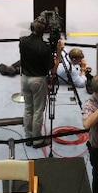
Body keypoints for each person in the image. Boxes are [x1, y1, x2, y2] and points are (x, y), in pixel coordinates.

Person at [19, 18, 63, 148]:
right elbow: (52, 68)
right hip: (38, 80)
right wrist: (58, 52)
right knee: (38, 110)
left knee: (28, 108)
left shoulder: (22, 41)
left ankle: (28, 138)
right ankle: (37, 140)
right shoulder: (45, 48)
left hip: (25, 78)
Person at [0, 47, 91, 90]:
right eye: (79, 60)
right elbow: (81, 84)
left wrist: (79, 64)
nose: (81, 61)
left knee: (28, 60)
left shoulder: (64, 51)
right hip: (44, 76)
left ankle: (14, 68)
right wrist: (82, 69)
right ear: (74, 59)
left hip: (43, 64)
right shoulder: (71, 70)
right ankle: (16, 70)